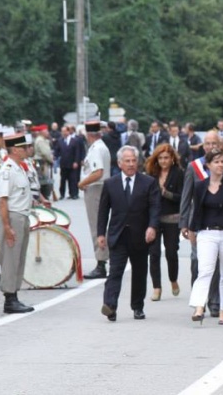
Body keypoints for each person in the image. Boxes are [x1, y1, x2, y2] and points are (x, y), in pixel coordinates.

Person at [98, 146, 160, 321]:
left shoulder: (148, 182)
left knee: (139, 272)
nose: (131, 164)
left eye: (133, 160)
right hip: (118, 235)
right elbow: (103, 211)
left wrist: (152, 227)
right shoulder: (110, 184)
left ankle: (137, 307)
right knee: (114, 272)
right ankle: (110, 306)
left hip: (140, 236)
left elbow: (155, 208)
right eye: (127, 161)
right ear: (119, 163)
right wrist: (101, 234)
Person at [186, 149, 223, 325]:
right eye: (216, 162)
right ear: (208, 165)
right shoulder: (200, 186)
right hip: (207, 233)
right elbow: (197, 210)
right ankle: (199, 307)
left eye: (222, 162)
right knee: (205, 270)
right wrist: (192, 230)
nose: (220, 165)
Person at [0, 133, 36, 314]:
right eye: (23, 147)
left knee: (18, 259)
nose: (27, 150)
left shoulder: (19, 168)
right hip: (13, 217)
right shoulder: (7, 170)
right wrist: (7, 227)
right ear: (14, 149)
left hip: (22, 216)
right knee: (10, 260)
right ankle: (9, 299)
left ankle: (14, 295)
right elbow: (3, 201)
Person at [145, 143, 184, 301]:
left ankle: (173, 279)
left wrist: (165, 193)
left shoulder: (179, 173)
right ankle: (157, 287)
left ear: (172, 158)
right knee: (154, 253)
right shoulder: (151, 173)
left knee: (171, 252)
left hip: (172, 218)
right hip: (154, 219)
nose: (163, 161)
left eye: (166, 157)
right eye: (160, 158)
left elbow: (182, 197)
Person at [78, 122, 111, 279]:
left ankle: (101, 262)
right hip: (99, 187)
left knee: (97, 226)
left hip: (96, 188)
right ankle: (102, 260)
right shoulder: (100, 147)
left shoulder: (96, 149)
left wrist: (82, 183)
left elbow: (98, 172)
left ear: (88, 134)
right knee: (100, 224)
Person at [56, 126, 83, 200]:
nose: (63, 133)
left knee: (73, 179)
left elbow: (77, 152)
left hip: (72, 163)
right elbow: (57, 151)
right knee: (63, 180)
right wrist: (54, 157)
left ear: (68, 131)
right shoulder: (60, 141)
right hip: (63, 164)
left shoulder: (74, 140)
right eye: (62, 131)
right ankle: (62, 194)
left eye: (65, 131)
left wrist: (76, 161)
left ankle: (73, 194)